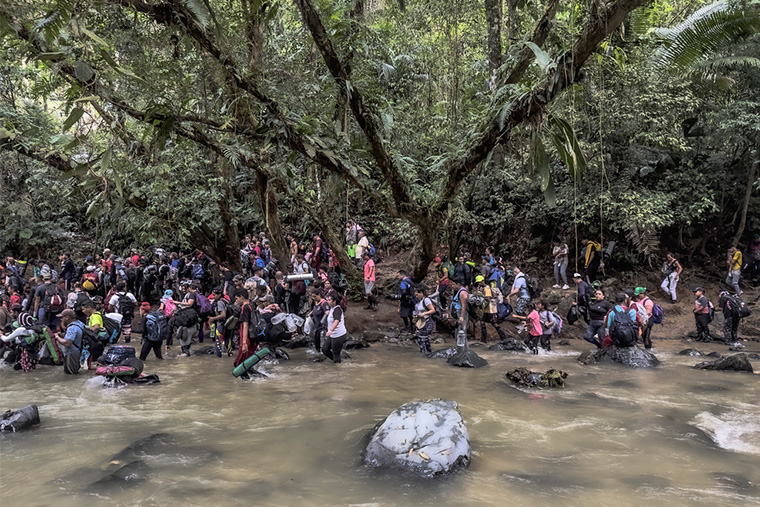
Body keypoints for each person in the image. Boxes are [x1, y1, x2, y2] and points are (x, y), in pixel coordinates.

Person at [477, 275, 507, 343]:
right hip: (486, 309)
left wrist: (480, 296)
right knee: (482, 322)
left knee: (494, 323)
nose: (479, 284)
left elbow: (488, 299)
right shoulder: (482, 288)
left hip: (491, 309)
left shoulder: (487, 288)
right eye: (477, 283)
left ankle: (503, 338)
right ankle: (483, 340)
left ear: (482, 281)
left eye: (479, 282)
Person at [55, 309, 85, 374]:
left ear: (67, 317)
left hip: (71, 354)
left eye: (62, 317)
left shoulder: (72, 328)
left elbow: (67, 343)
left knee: (70, 374)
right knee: (74, 372)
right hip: (78, 352)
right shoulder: (79, 323)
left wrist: (57, 337)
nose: (61, 319)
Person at [322, 293, 348, 363]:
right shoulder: (332, 308)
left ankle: (338, 367)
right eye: (327, 299)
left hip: (339, 335)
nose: (327, 301)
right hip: (333, 334)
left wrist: (330, 330)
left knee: (336, 354)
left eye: (329, 300)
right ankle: (336, 361)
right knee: (325, 349)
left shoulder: (337, 309)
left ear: (334, 301)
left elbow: (336, 321)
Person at [412, 285, 435, 354]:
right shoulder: (420, 302)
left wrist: (424, 313)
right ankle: (429, 353)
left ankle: (422, 354)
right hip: (422, 322)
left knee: (421, 338)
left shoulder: (426, 300)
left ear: (421, 293)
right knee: (425, 339)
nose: (416, 297)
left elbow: (433, 310)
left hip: (428, 322)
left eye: (417, 295)